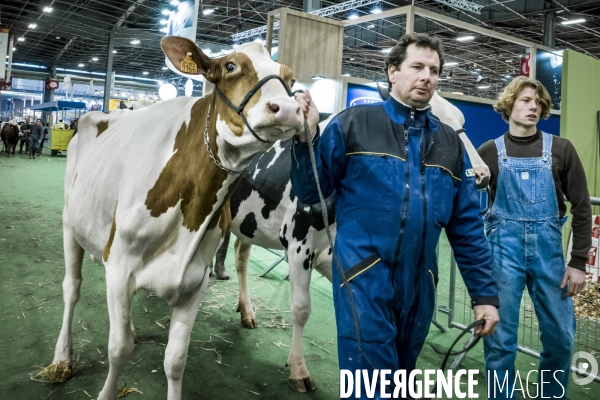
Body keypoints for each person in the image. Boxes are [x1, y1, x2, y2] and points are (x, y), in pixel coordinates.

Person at [290, 32, 500, 396]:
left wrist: (485, 296)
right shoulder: (352, 123)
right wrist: (305, 140)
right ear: (392, 72)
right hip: (362, 275)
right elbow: (311, 192)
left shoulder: (449, 142)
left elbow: (466, 228)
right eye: (417, 67)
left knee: (401, 379)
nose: (427, 77)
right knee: (371, 384)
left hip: (420, 285)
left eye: (433, 70)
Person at [478, 76, 591, 399]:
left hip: (550, 256)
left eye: (538, 102)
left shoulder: (561, 150)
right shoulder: (488, 152)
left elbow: (582, 207)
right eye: (526, 100)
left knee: (561, 338)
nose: (534, 106)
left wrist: (578, 262)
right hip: (503, 254)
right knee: (500, 341)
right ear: (509, 104)